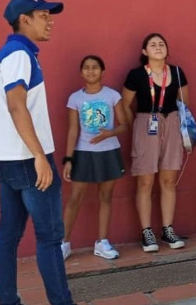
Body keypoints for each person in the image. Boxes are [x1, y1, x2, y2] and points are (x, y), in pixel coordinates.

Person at [0, 0, 77, 305]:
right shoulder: (18, 53)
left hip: (9, 159)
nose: (50, 20)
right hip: (28, 159)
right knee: (49, 238)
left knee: (9, 236)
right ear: (24, 20)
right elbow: (17, 106)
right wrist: (38, 157)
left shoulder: (11, 53)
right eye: (43, 15)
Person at [122, 33, 188, 252]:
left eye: (161, 44)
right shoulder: (136, 75)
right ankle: (147, 231)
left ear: (167, 50)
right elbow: (125, 105)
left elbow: (183, 103)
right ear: (144, 52)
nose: (158, 47)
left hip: (171, 123)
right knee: (145, 182)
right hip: (146, 124)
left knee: (168, 181)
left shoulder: (177, 73)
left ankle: (168, 229)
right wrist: (137, 127)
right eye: (153, 44)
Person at [61, 55, 127, 261]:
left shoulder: (112, 95)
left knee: (105, 196)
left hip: (109, 152)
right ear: (81, 73)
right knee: (75, 198)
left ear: (103, 72)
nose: (91, 71)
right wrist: (68, 159)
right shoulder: (75, 98)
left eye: (95, 67)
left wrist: (110, 133)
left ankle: (102, 242)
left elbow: (124, 125)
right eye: (87, 68)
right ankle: (63, 243)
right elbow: (73, 130)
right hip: (83, 153)